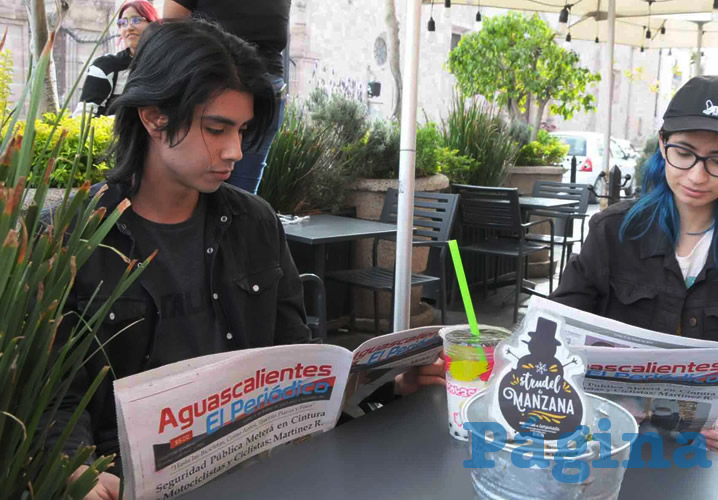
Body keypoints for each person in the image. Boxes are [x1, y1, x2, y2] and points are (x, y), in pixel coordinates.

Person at [47, 19, 443, 499]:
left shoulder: (255, 222)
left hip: (260, 471)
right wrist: (77, 469)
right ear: (153, 117)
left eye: (242, 130)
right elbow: (53, 400)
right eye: (217, 129)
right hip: (128, 481)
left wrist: (385, 385)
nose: (234, 151)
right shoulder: (75, 234)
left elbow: (297, 359)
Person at [550, 75, 718, 457]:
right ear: (663, 144)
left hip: (704, 454)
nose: (697, 176)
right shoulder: (613, 233)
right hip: (605, 440)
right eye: (684, 152)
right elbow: (555, 329)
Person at [163, 0, 291, 194]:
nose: (235, 152)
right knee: (240, 196)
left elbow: (171, 28)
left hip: (215, 78)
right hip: (259, 79)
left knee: (199, 194)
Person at [74, 1, 160, 116]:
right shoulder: (105, 66)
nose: (129, 27)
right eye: (123, 23)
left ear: (153, 24)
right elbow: (82, 116)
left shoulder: (166, 65)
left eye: (136, 20)